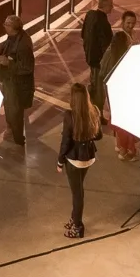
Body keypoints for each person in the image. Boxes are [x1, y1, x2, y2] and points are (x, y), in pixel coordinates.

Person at [56, 82, 102, 239]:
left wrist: (60, 161)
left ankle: (78, 226)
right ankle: (74, 218)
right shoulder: (94, 111)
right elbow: (99, 135)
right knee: (79, 188)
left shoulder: (69, 115)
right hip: (88, 157)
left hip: (74, 159)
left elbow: (66, 142)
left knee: (77, 194)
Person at [0, 14, 35, 146]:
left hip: (18, 85)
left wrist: (8, 63)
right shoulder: (14, 37)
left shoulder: (23, 44)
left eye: (6, 25)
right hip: (10, 82)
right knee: (11, 109)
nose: (4, 26)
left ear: (13, 28)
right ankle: (12, 130)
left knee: (16, 112)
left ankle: (18, 139)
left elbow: (27, 67)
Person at [99, 30, 137, 161]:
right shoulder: (124, 59)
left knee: (118, 122)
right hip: (123, 95)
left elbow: (102, 72)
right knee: (125, 125)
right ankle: (124, 150)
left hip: (111, 94)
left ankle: (119, 146)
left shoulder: (109, 53)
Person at [80, 0, 114, 109]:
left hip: (90, 57)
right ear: (106, 6)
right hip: (99, 62)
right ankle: (97, 113)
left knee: (93, 84)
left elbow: (83, 34)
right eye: (111, 5)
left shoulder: (90, 15)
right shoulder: (104, 23)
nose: (112, 7)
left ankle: (91, 108)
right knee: (99, 90)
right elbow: (106, 46)